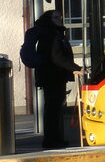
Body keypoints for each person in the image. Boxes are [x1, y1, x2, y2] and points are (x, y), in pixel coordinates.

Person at [27, 10, 80, 150]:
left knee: (54, 109)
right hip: (52, 77)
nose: (59, 19)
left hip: (55, 76)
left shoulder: (55, 33)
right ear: (49, 19)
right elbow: (57, 57)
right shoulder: (50, 35)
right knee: (52, 110)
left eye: (60, 17)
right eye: (56, 17)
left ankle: (55, 139)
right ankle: (51, 140)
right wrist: (76, 68)